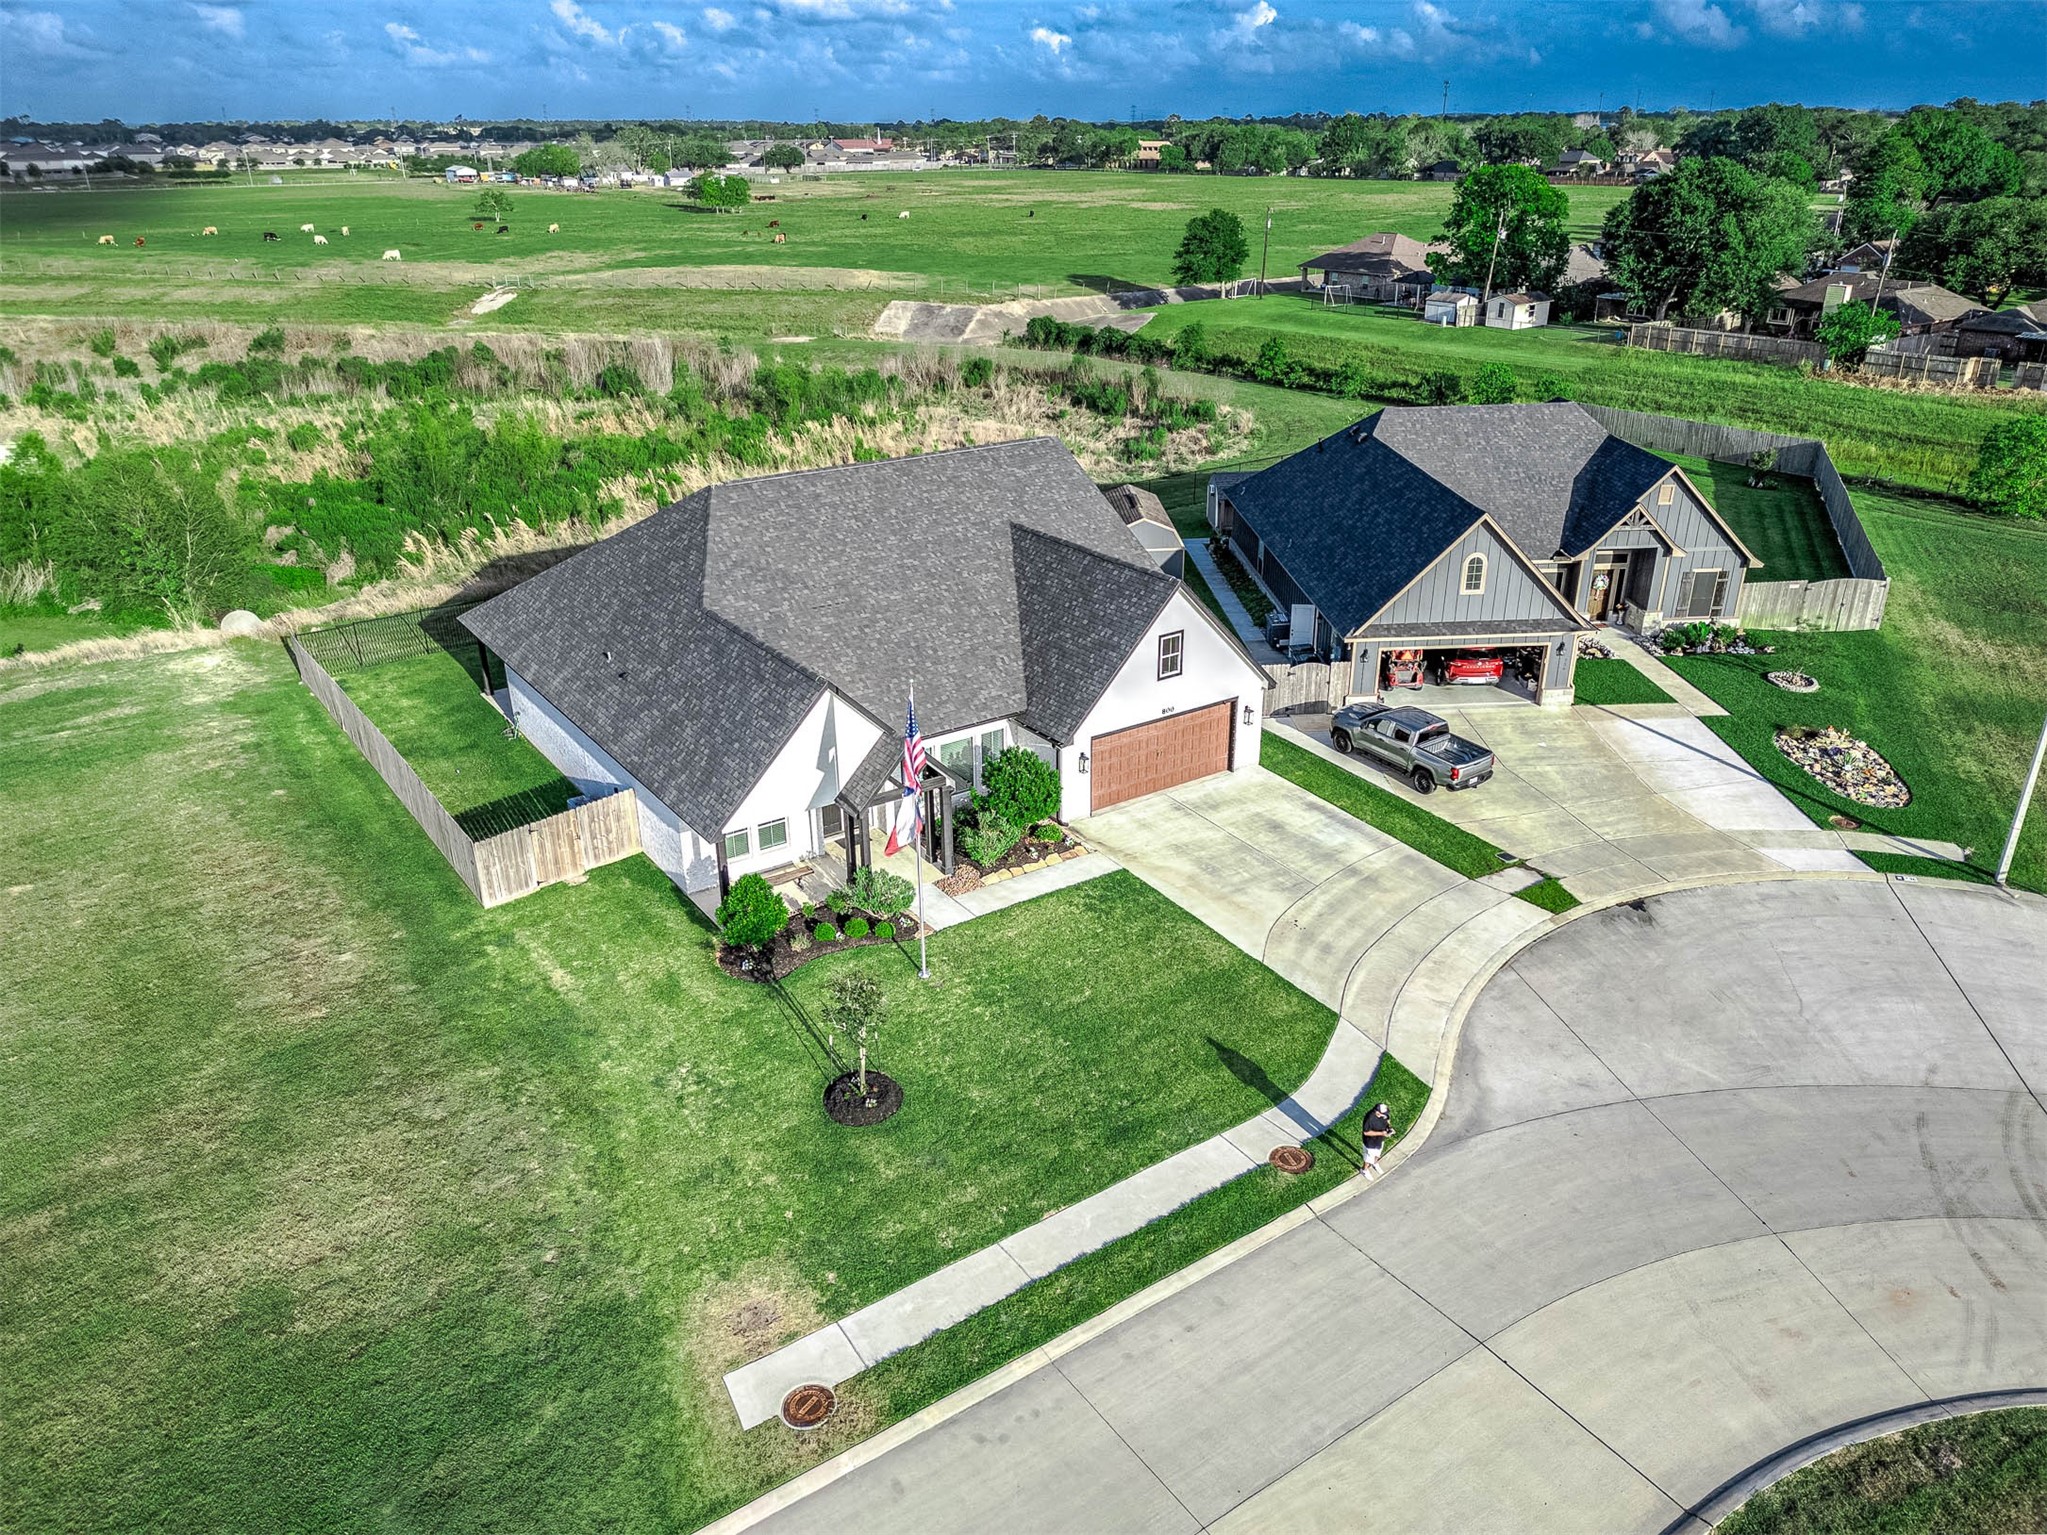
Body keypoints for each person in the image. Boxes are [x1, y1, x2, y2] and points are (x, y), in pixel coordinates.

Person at [1359, 1102, 1392, 1179]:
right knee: (1368, 1158)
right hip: (1370, 1143)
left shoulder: (1384, 1115)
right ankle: (1364, 1170)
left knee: (1378, 1154)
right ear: (1377, 1112)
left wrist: (1389, 1128)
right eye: (1383, 1113)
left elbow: (1388, 1120)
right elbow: (1366, 1132)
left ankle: (1375, 1163)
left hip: (1380, 1139)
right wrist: (1381, 1133)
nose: (1385, 1115)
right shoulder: (1370, 1118)